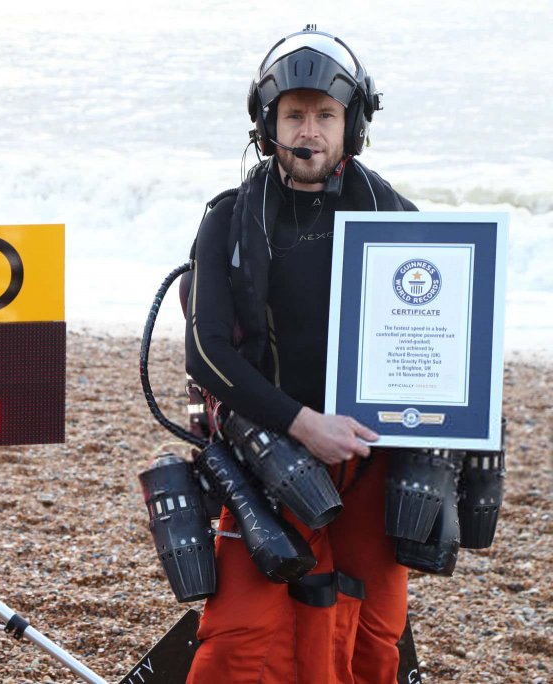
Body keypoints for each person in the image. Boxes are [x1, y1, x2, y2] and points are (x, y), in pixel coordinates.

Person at [184, 27, 418, 684]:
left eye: (324, 115)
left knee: (370, 639)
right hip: (268, 457)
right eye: (294, 115)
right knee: (240, 642)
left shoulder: (401, 220)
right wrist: (301, 423)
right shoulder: (228, 219)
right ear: (267, 124)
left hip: (370, 461)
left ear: (353, 125)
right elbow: (203, 352)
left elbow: (448, 334)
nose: (308, 130)